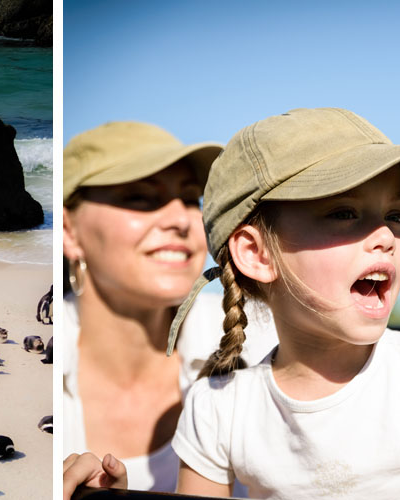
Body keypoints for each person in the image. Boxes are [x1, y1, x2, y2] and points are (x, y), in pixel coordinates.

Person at [167, 108, 400, 498]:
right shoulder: (218, 410)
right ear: (256, 253)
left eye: (396, 215)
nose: (385, 235)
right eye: (344, 212)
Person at [61, 121, 278, 496]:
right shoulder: (47, 355)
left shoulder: (266, 341)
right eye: (141, 199)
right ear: (68, 231)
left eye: (191, 200)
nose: (182, 220)